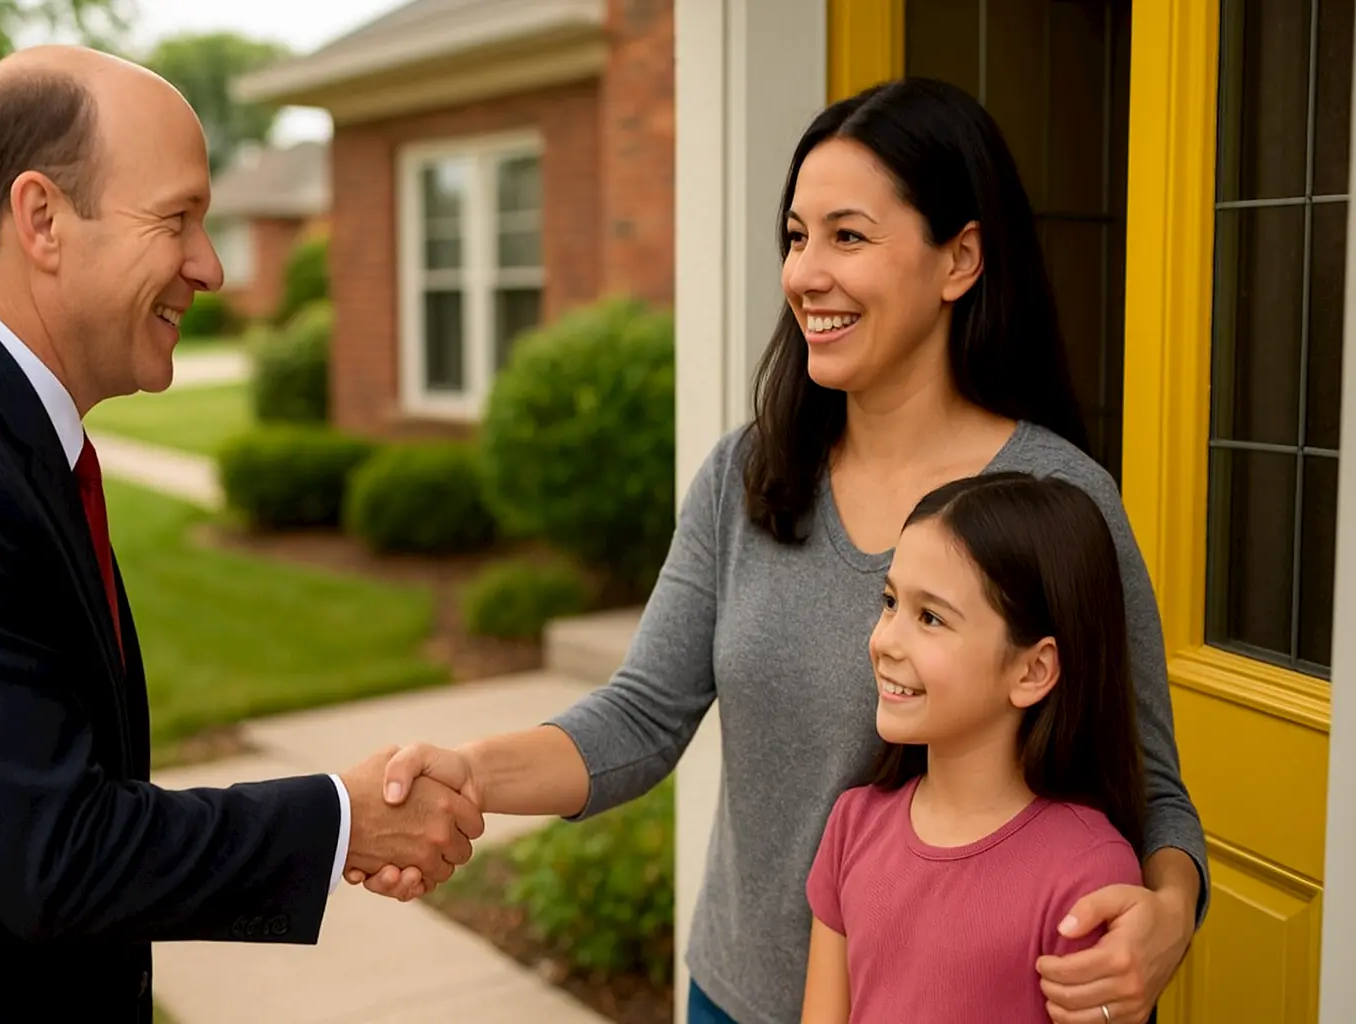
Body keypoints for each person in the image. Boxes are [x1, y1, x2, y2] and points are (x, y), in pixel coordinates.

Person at [348, 78, 1208, 1024]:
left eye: (848, 235)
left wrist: (1169, 913)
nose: (804, 273)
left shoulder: (1057, 498)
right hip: (739, 992)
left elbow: (1148, 780)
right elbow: (642, 715)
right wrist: (472, 771)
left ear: (960, 258)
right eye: (796, 237)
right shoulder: (750, 475)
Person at [0, 46, 482, 1023]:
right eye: (176, 219)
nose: (209, 266)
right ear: (41, 219)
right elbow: (58, 855)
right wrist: (344, 822)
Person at [800, 472, 1148, 1023]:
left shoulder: (1088, 874)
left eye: (930, 617)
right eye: (890, 601)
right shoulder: (852, 826)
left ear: (1033, 669)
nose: (885, 639)